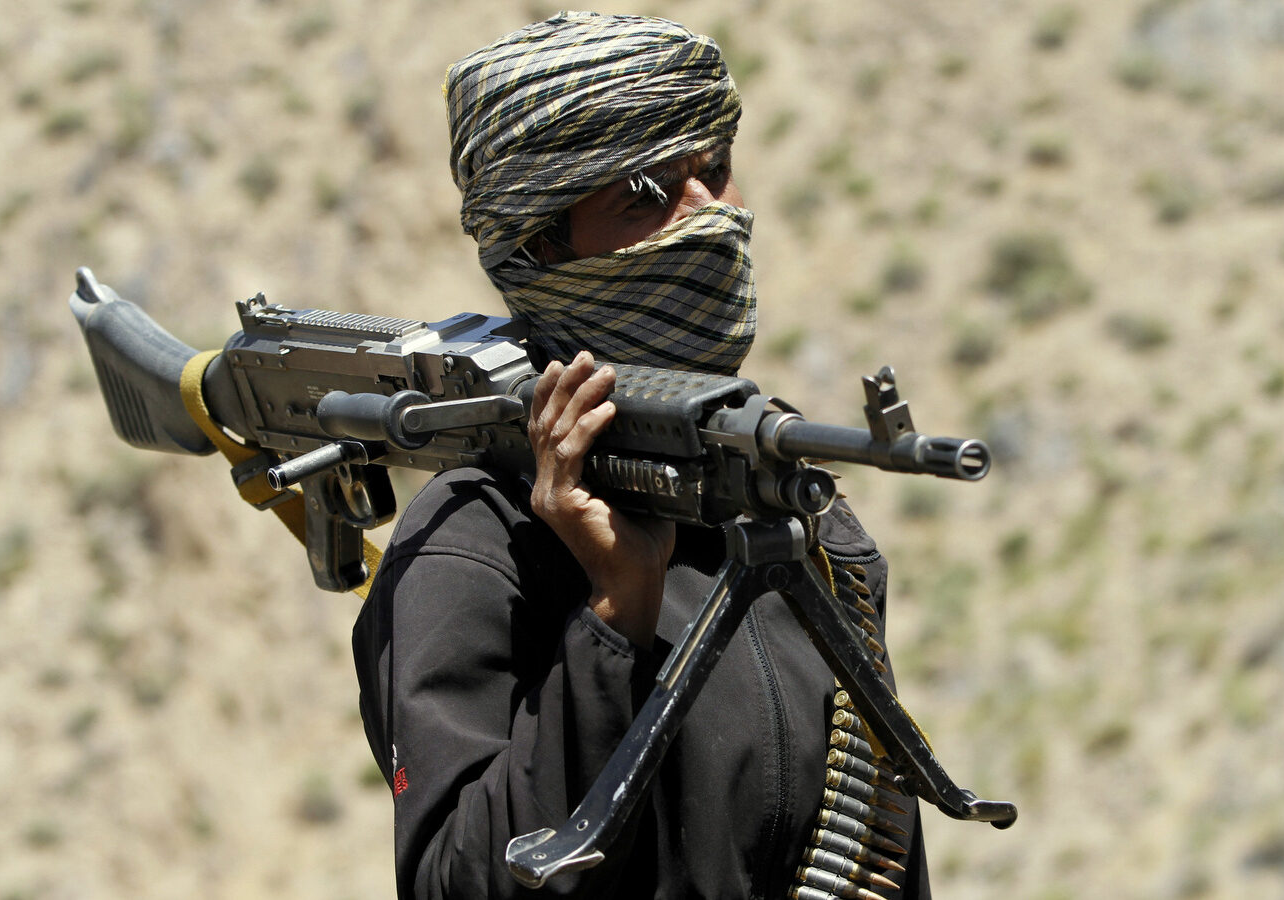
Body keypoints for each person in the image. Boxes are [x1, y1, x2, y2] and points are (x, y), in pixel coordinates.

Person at [352, 12, 932, 899]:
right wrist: (615, 614)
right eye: (645, 194)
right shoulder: (476, 537)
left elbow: (873, 853)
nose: (710, 218)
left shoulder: (781, 503)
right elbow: (457, 882)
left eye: (714, 172)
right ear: (542, 242)